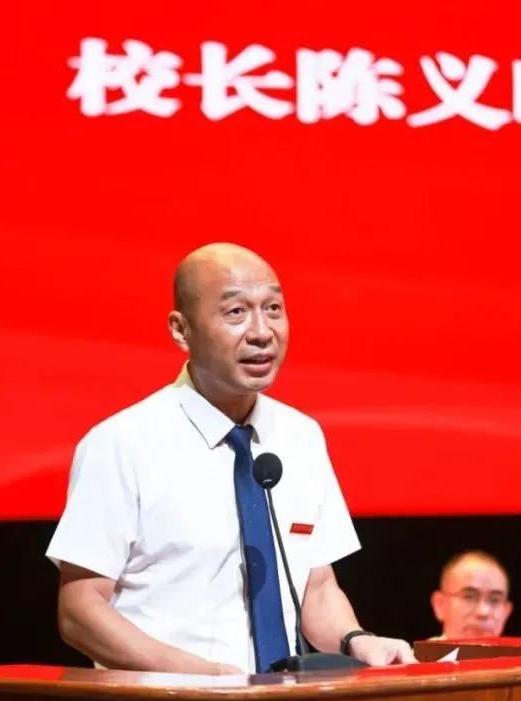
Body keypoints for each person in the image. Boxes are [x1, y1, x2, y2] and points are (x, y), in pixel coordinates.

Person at [46, 243, 416, 675]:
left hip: (281, 700)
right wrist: (205, 677)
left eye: (273, 309)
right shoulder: (122, 444)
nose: (262, 332)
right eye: (236, 312)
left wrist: (358, 640)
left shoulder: (301, 437)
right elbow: (80, 610)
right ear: (181, 330)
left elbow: (315, 590)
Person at [430, 550, 513, 639]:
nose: (483, 611)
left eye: (495, 600)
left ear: (506, 612)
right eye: (469, 597)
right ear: (440, 605)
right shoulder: (423, 649)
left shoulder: (519, 649)